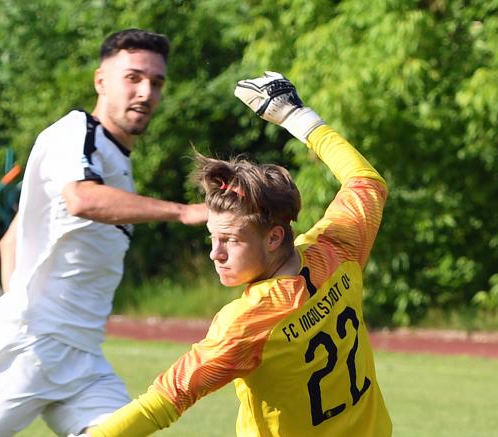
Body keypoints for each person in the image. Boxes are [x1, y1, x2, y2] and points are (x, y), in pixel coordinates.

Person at [88, 72, 393, 436]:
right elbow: (366, 182)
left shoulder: (250, 322)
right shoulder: (337, 248)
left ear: (274, 237)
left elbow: (166, 399)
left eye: (229, 240)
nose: (215, 253)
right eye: (212, 238)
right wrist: (295, 115)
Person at [0, 29, 207, 437]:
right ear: (101, 81)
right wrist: (184, 212)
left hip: (83, 360)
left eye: (156, 82)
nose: (146, 91)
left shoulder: (117, 158)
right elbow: (82, 199)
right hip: (27, 349)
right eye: (133, 77)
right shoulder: (76, 132)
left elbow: (10, 240)